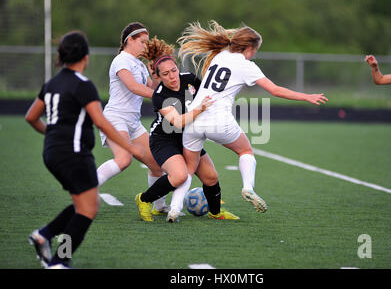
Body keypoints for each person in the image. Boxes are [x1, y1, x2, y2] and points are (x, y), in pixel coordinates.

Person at [177, 20, 328, 212]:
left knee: (189, 169)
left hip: (194, 118)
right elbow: (275, 90)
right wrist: (306, 96)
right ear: (248, 47)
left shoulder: (220, 54)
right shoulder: (247, 66)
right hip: (218, 120)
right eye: (256, 49)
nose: (255, 53)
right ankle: (248, 187)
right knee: (245, 151)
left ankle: (174, 208)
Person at [25, 31, 143, 268]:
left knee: (84, 205)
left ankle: (44, 235)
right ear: (86, 57)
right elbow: (100, 121)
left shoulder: (51, 84)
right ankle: (60, 260)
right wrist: (127, 146)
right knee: (88, 209)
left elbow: (31, 117)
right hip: (74, 154)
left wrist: (52, 134)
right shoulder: (84, 85)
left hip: (51, 153)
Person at [134, 36, 240, 222]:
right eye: (165, 74)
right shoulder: (159, 96)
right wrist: (200, 109)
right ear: (157, 76)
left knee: (211, 177)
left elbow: (209, 93)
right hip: (164, 140)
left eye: (173, 70)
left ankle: (216, 213)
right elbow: (178, 122)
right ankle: (144, 199)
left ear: (177, 68)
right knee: (179, 176)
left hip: (189, 138)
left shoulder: (189, 79)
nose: (172, 76)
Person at [96, 22, 169, 214]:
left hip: (133, 123)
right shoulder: (121, 60)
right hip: (115, 118)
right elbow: (133, 87)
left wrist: (156, 75)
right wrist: (160, 96)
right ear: (130, 40)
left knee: (157, 164)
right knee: (123, 159)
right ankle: (86, 189)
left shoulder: (140, 65)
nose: (146, 46)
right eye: (143, 42)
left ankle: (159, 206)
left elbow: (150, 88)